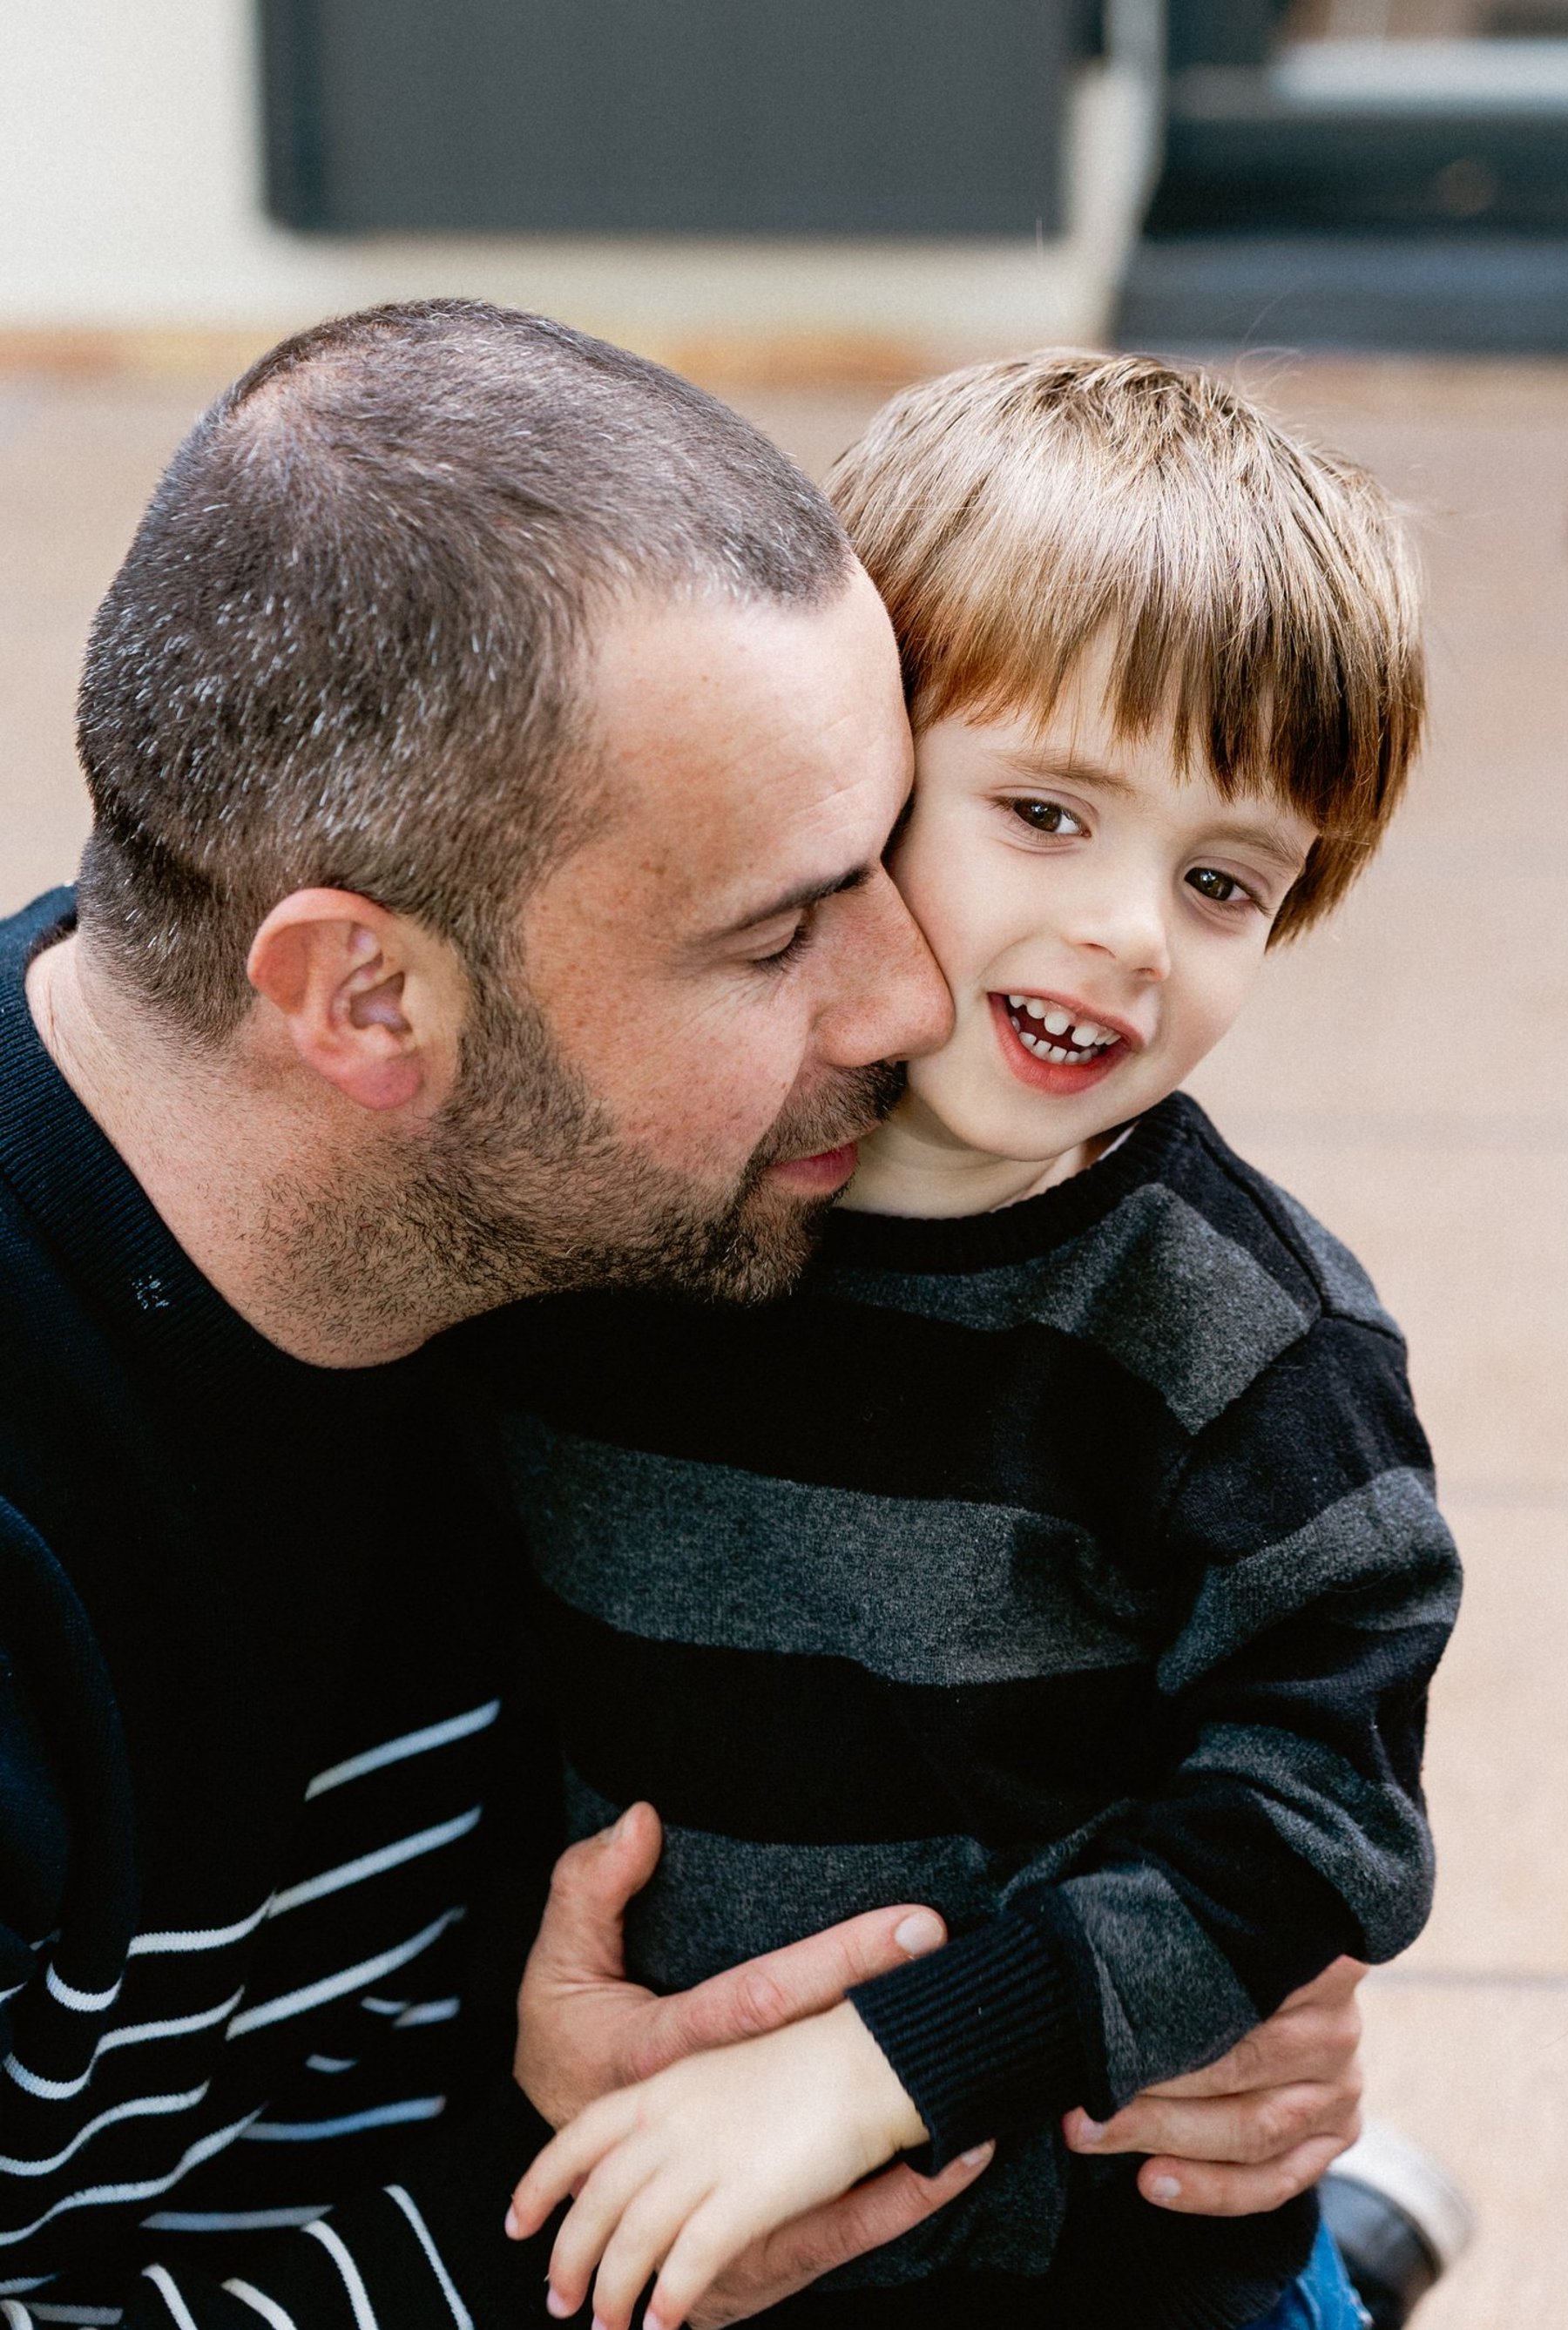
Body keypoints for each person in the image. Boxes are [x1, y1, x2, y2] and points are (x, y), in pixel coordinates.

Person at [0, 307, 1371, 2328]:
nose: (908, 1004)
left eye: (884, 853)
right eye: (775, 931)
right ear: (367, 1002)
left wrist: (1186, 1991)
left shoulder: (564, 1201)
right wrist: (557, 2237)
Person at [499, 354, 1463, 2330]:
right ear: (854, 773)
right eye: (1043, 811)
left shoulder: (1250, 1348)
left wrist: (876, 2070)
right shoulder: (615, 1217)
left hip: (1105, 2264)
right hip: (668, 2206)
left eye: (1224, 882)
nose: (1129, 933)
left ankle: (1354, 2256)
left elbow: (1315, 1812)